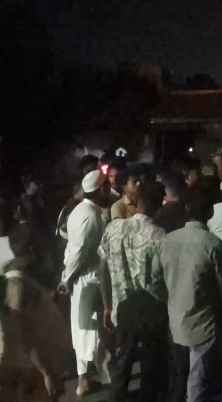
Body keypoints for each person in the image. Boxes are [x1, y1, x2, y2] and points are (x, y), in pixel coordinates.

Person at [158, 189, 222, 402]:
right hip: (203, 321)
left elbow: (154, 280)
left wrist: (169, 297)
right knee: (198, 379)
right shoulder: (213, 244)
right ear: (209, 212)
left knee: (180, 374)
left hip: (174, 318)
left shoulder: (167, 240)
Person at [98, 181, 167, 402]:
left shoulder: (113, 228)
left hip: (122, 306)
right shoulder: (159, 236)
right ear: (158, 206)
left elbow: (102, 268)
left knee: (122, 363)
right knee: (151, 365)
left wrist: (107, 304)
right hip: (151, 309)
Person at [0, 223, 68, 402]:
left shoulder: (17, 280)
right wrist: (47, 373)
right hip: (28, 373)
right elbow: (24, 335)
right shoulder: (17, 284)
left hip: (29, 370)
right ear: (30, 252)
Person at [59, 169, 111, 397]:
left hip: (86, 277)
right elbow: (78, 251)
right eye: (106, 186)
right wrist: (66, 279)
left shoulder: (82, 209)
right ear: (100, 190)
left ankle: (93, 375)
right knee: (88, 329)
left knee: (85, 327)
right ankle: (86, 379)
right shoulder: (90, 215)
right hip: (87, 279)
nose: (109, 189)